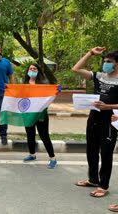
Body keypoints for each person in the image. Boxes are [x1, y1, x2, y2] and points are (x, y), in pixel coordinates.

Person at [72, 47, 118, 197]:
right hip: (93, 119)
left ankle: (103, 185)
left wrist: (109, 107)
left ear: (117, 64)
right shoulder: (99, 76)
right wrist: (90, 53)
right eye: (104, 61)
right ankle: (93, 179)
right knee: (91, 150)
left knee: (106, 153)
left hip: (110, 121)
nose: (106, 64)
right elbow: (76, 69)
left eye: (109, 62)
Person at [22, 63, 57, 168]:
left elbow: (46, 101)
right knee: (30, 134)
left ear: (38, 71)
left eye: (35, 69)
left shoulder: (43, 83)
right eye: (30, 68)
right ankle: (32, 155)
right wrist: (8, 89)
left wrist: (41, 116)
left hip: (41, 114)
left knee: (44, 136)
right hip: (28, 114)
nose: (32, 70)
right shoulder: (24, 83)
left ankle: (53, 158)